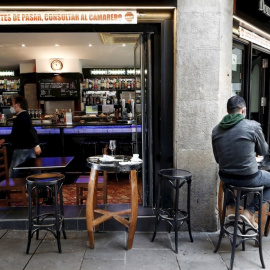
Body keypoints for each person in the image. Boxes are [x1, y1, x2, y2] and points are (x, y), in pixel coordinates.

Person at [212, 96, 270, 230]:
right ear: (243, 111)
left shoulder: (216, 130)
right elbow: (263, 150)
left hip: (225, 178)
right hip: (248, 177)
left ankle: (232, 206)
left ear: (227, 111)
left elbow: (217, 159)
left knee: (233, 180)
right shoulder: (253, 126)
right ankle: (249, 211)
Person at [0, 95, 42, 177]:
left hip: (21, 149)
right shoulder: (25, 116)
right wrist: (36, 145)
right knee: (36, 169)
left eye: (12, 104)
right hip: (29, 148)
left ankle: (10, 187)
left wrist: (37, 145)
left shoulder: (21, 117)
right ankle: (39, 186)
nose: (11, 107)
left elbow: (30, 131)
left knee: (13, 171)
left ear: (17, 105)